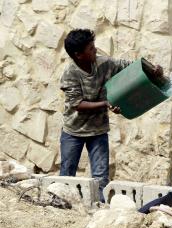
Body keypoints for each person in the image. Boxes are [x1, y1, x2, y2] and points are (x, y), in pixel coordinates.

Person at [59, 29, 163, 202]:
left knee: (101, 177)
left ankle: (98, 208)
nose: (95, 50)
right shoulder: (70, 73)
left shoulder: (104, 63)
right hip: (73, 132)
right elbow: (78, 105)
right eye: (91, 48)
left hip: (98, 131)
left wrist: (153, 70)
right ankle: (61, 206)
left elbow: (130, 66)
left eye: (94, 46)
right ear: (78, 55)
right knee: (66, 176)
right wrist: (105, 104)